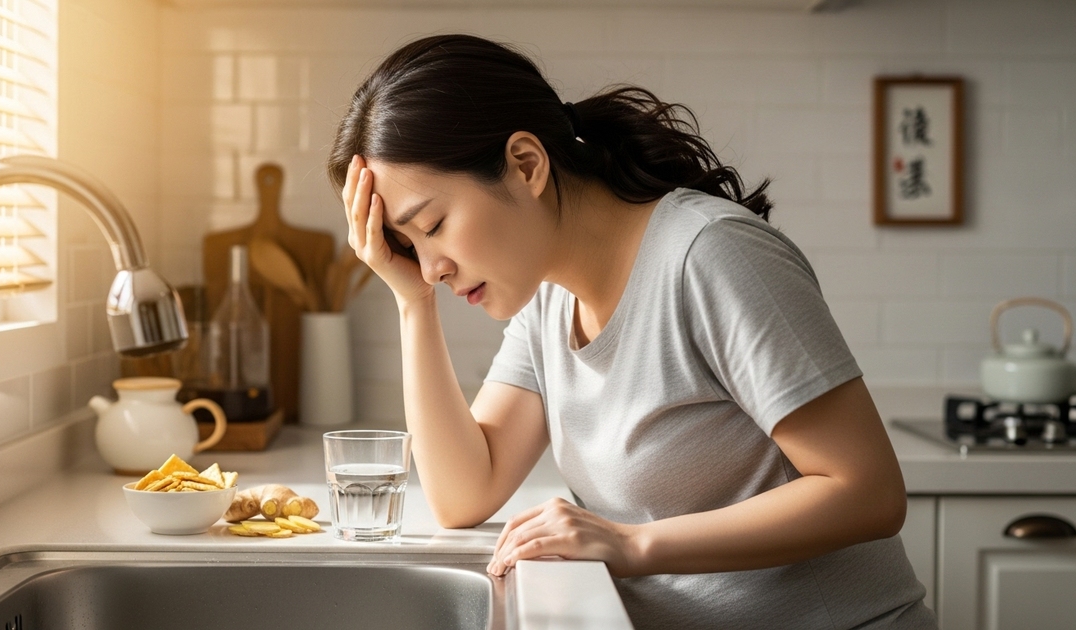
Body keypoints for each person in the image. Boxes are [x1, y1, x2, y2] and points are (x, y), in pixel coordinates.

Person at [327, 34, 936, 630]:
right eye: (410, 245)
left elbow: (868, 493)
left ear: (526, 164)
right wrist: (412, 302)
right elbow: (464, 494)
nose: (431, 266)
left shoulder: (709, 254)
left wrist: (631, 544)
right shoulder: (547, 299)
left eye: (432, 224)